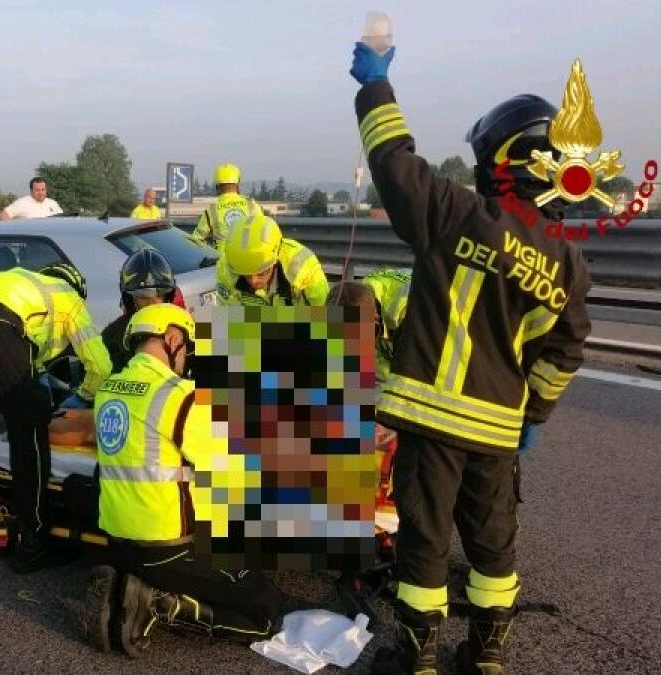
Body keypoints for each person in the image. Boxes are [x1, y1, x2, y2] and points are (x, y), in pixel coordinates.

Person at [350, 43, 591, 674]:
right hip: (497, 433)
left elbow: (394, 163)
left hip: (432, 424)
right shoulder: (568, 261)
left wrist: (377, 85)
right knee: (492, 548)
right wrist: (532, 415)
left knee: (425, 546)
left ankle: (417, 659)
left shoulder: (459, 213)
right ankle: (488, 658)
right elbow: (564, 352)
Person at [81, 303, 282, 656]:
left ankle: (132, 581)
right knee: (266, 613)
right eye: (187, 347)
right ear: (173, 339)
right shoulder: (179, 396)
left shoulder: (108, 390)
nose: (186, 356)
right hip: (167, 546)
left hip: (116, 536)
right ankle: (162, 602)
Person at [0, 263, 111, 572]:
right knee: (29, 428)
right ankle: (34, 539)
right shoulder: (68, 297)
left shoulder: (19, 285)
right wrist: (80, 398)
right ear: (77, 288)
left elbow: (27, 360)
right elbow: (100, 366)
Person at [215, 213, 329, 306]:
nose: (254, 281)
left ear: (275, 257)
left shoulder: (303, 267)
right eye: (247, 276)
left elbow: (324, 314)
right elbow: (230, 318)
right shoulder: (227, 268)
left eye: (261, 273)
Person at [100, 249, 182, 374]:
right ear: (130, 299)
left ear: (168, 296)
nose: (153, 304)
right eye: (143, 297)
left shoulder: (188, 329)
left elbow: (216, 388)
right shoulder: (112, 338)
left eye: (159, 295)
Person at [190, 163, 262, 248]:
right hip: (251, 259)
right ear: (238, 184)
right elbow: (263, 231)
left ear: (217, 186)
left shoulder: (212, 210)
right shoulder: (252, 205)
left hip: (224, 260)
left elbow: (196, 240)